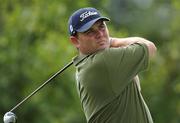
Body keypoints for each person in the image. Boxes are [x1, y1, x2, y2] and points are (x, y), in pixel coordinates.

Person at [68, 7, 157, 123]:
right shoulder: (102, 62)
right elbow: (150, 48)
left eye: (101, 27)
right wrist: (112, 41)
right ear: (75, 41)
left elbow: (136, 87)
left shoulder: (85, 65)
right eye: (89, 32)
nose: (100, 34)